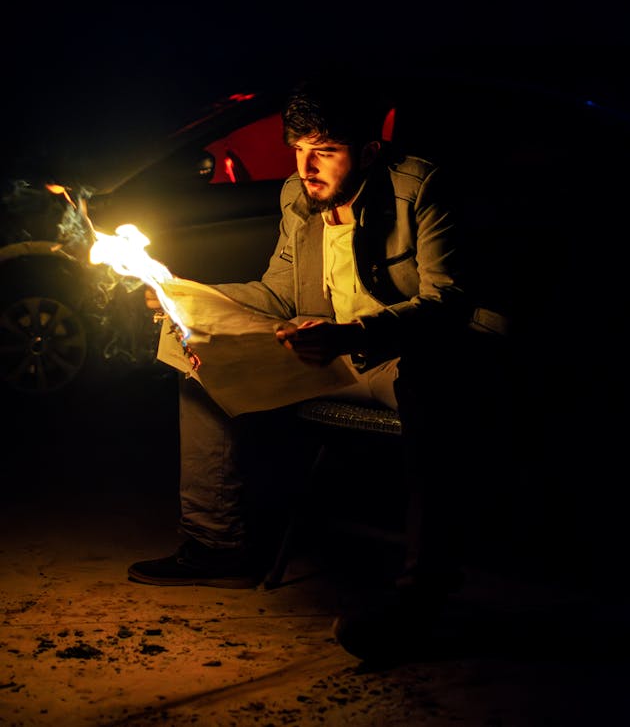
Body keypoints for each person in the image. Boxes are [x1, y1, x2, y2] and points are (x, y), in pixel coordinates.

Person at [128, 76, 510, 662]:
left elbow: (448, 300)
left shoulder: (420, 188)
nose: (307, 167)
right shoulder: (296, 198)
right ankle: (216, 545)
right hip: (328, 351)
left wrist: (355, 333)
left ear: (369, 151)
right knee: (186, 341)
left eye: (325, 151)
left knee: (431, 380)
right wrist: (189, 298)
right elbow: (279, 295)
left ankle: (418, 599)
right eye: (299, 149)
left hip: (402, 353)